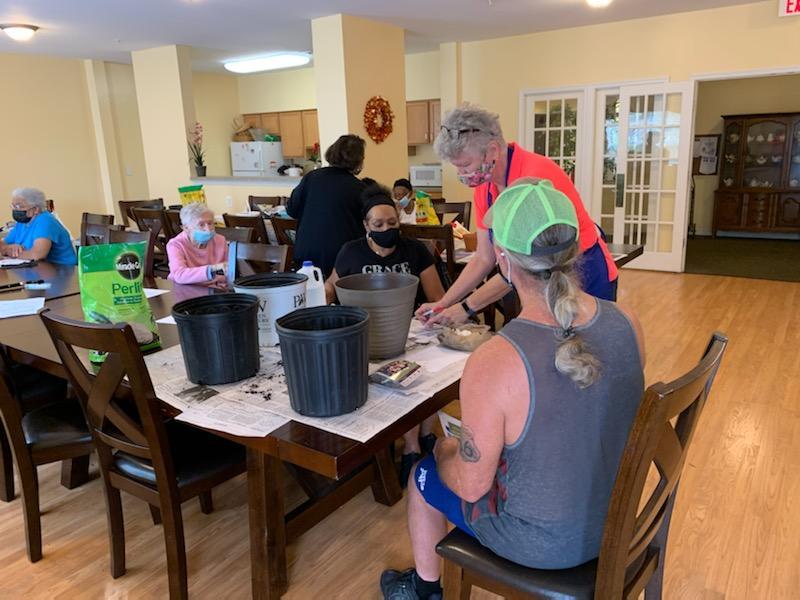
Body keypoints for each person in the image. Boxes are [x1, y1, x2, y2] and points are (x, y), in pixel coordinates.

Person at [380, 180, 645, 600]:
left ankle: (424, 591)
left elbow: (470, 486)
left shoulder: (496, 360)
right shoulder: (627, 322)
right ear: (576, 245)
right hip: (622, 518)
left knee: (423, 474)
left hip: (545, 545)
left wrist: (444, 451)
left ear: (502, 258)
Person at [416, 104, 618, 328]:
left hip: (582, 272)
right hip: (540, 282)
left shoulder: (535, 179)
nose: (462, 174)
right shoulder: (485, 187)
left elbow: (527, 265)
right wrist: (443, 303)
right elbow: (484, 258)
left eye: (465, 165)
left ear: (492, 150)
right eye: (457, 168)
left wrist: (466, 307)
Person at [326, 184, 445, 483]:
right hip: (367, 334)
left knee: (427, 373)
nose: (386, 229)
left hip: (412, 330)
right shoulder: (350, 252)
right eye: (378, 225)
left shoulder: (415, 250)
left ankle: (422, 438)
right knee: (389, 379)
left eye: (392, 223)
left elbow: (437, 297)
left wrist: (428, 314)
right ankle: (413, 443)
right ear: (366, 226)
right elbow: (330, 289)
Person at [287, 134, 367, 276]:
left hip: (306, 253)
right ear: (359, 160)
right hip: (342, 257)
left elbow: (292, 210)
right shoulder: (359, 188)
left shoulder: (311, 178)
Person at [0, 188, 77, 265]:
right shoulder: (22, 223)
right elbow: (2, 245)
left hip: (61, 270)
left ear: (36, 209)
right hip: (37, 268)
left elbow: (37, 255)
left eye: (18, 206)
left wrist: (11, 253)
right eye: (13, 206)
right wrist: (8, 248)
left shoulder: (45, 221)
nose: (14, 210)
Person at [166, 202, 228, 288]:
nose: (208, 229)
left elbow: (228, 272)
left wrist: (221, 285)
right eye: (201, 225)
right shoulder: (176, 245)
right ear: (186, 228)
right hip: (184, 290)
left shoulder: (220, 240)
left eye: (210, 223)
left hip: (214, 291)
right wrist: (213, 268)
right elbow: (179, 275)